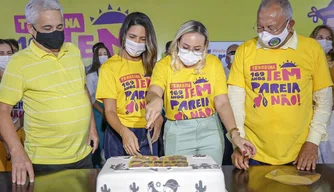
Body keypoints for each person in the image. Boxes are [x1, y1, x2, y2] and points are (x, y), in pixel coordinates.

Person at [0, 0, 98, 185]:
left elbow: (82, 89)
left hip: (83, 155)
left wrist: (91, 126)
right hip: (46, 162)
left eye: (59, 26)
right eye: (47, 27)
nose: (55, 32)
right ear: (30, 28)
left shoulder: (73, 51)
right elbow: (3, 110)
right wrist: (17, 151)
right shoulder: (19, 63)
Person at [228, 0, 333, 171]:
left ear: (290, 24)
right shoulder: (245, 50)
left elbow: (324, 101)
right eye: (260, 27)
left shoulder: (311, 49)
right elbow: (236, 102)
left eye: (271, 28)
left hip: (300, 154)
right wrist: (238, 142)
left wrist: (312, 142)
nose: (265, 33)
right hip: (253, 152)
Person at [145, 20, 256, 165]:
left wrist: (235, 135)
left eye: (197, 49)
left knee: (210, 178)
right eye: (185, 47)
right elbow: (154, 91)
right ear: (177, 42)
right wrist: (155, 100)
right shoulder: (164, 65)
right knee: (181, 181)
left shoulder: (213, 64)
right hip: (178, 132)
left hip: (210, 130)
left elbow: (222, 103)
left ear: (205, 47)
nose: (190, 52)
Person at [96, 12, 163, 158]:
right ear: (124, 35)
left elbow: (156, 98)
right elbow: (110, 111)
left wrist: (159, 118)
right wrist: (123, 132)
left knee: (149, 179)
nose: (137, 43)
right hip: (119, 132)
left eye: (142, 39)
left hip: (148, 132)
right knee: (119, 179)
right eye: (132, 37)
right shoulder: (110, 67)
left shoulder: (152, 66)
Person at [310, 25, 334, 163]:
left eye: (329, 38)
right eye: (320, 38)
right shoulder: (305, 61)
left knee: (329, 153)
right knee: (314, 154)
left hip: (331, 115)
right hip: (309, 114)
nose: (325, 41)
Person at [0, 39, 24, 172]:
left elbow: (29, 108)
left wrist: (12, 133)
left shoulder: (22, 77)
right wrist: (6, 138)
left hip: (21, 134)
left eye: (9, 53)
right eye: (1, 53)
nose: (5, 57)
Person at [86, 42, 111, 167]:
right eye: (100, 54)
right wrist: (103, 112)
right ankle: (98, 169)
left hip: (112, 108)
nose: (103, 56)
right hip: (99, 110)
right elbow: (90, 98)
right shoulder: (91, 75)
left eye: (105, 54)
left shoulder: (113, 71)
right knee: (99, 141)